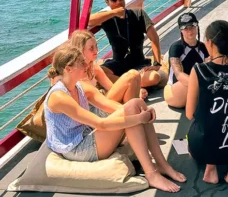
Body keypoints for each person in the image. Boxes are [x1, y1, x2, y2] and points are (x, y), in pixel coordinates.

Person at [44, 45, 186, 192]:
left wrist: (141, 109)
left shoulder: (78, 86)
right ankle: (151, 174)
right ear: (68, 69)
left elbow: (111, 105)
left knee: (135, 103)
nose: (87, 65)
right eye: (81, 62)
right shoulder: (58, 97)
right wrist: (138, 118)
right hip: (75, 149)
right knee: (133, 110)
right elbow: (101, 124)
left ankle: (162, 164)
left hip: (86, 136)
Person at [186, 20, 228, 184]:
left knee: (202, 129)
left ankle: (211, 168)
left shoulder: (199, 70)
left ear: (209, 43)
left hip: (203, 146)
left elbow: (189, 114)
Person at [88, 0, 167, 96]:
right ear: (107, 2)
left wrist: (157, 63)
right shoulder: (106, 18)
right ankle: (135, 88)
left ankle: (124, 86)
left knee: (154, 77)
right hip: (118, 63)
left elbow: (154, 38)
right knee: (98, 72)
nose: (118, 2)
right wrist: (114, 13)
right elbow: (88, 20)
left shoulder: (138, 13)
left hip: (138, 63)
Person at [69, 29, 147, 100]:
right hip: (93, 109)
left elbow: (111, 87)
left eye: (96, 46)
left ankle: (132, 109)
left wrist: (135, 90)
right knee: (131, 76)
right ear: (80, 50)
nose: (96, 50)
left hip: (101, 102)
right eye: (91, 48)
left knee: (134, 76)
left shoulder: (94, 67)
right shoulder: (75, 73)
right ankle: (132, 109)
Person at [164, 13, 209, 108]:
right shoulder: (176, 47)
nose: (189, 30)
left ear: (197, 27)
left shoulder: (204, 47)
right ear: (181, 31)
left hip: (194, 87)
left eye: (192, 26)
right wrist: (200, 85)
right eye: (185, 28)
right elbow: (178, 74)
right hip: (175, 89)